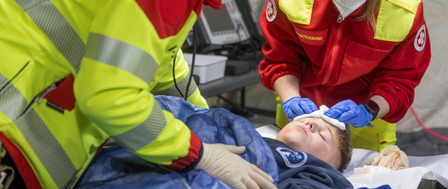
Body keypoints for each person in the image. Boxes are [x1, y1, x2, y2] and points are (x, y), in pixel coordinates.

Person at [0, 0, 282, 188]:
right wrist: (200, 154)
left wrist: (208, 117)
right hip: (13, 118)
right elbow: (110, 95)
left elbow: (163, 61)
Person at [259, 0, 431, 152]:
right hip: (300, 106)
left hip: (367, 119)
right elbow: (280, 59)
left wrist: (368, 110)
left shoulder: (404, 10)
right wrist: (292, 100)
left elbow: (400, 81)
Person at [76, 95, 354, 189]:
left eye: (322, 134)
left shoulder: (320, 174)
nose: (310, 123)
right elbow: (197, 116)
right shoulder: (250, 134)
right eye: (309, 120)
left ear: (332, 165)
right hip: (183, 143)